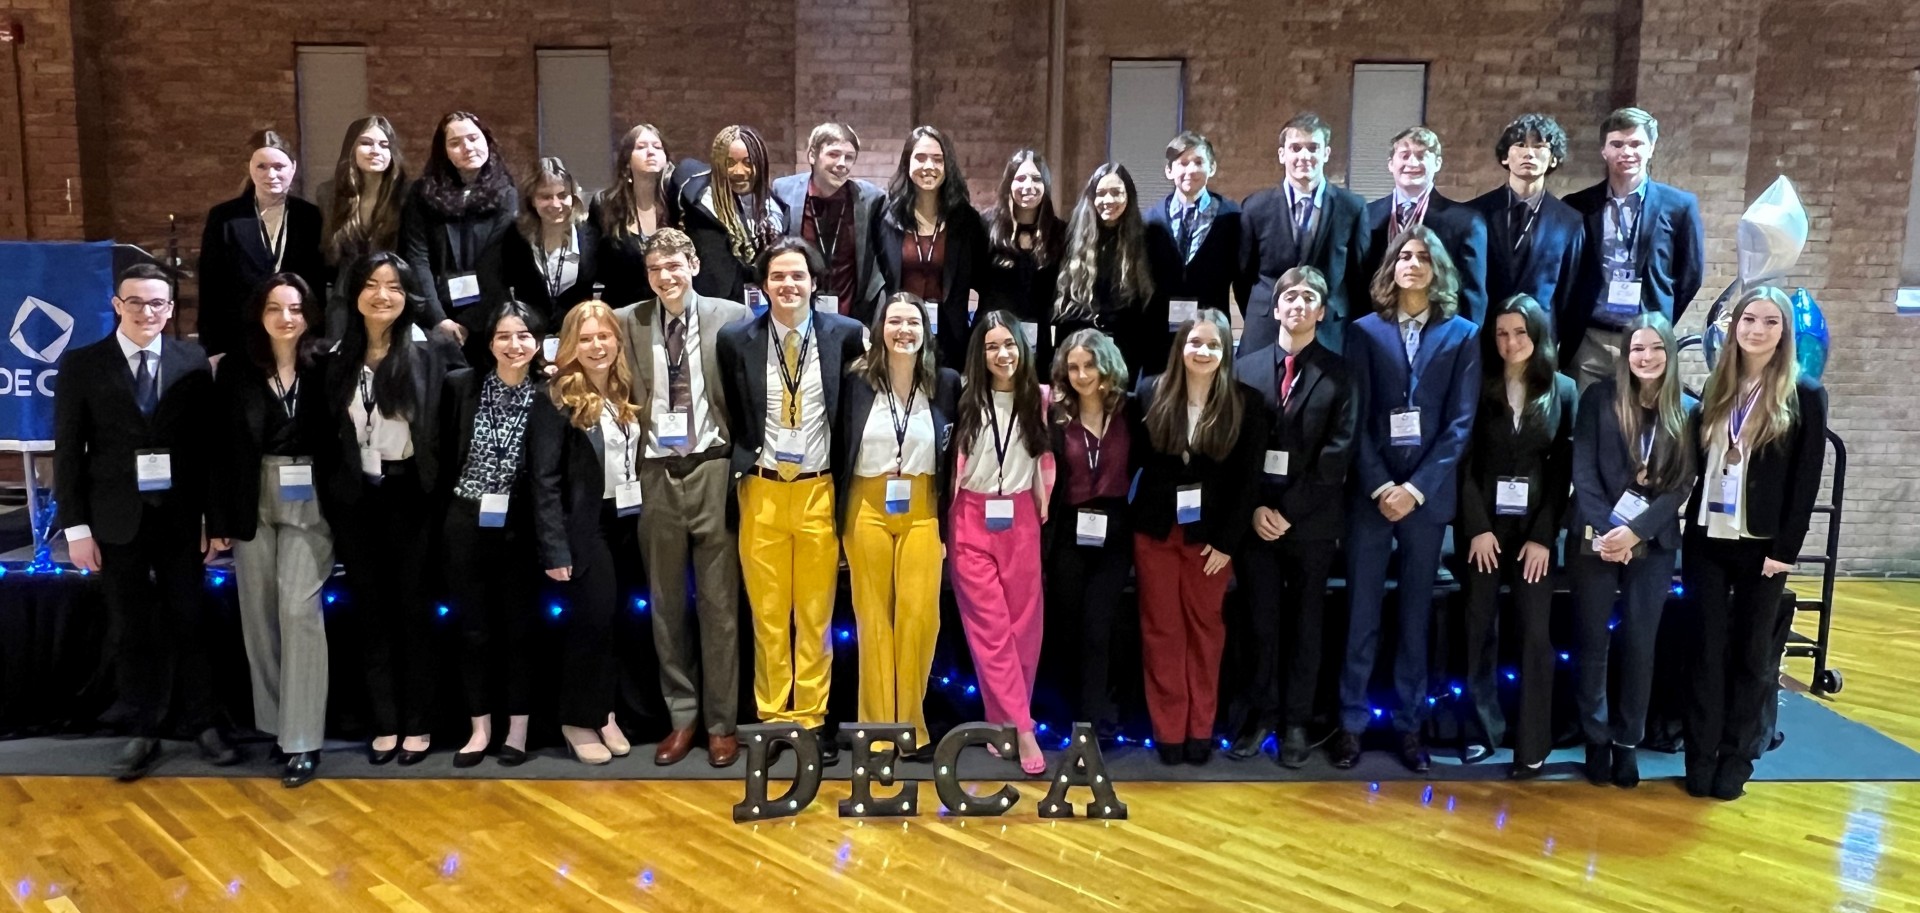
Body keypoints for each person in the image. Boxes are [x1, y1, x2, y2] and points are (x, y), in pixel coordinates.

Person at [55, 263, 233, 782]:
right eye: (135, 302)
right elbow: (70, 452)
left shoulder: (191, 359)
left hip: (180, 521)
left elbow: (208, 452)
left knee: (191, 624)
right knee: (131, 630)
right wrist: (77, 530)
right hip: (115, 521)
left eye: (158, 303)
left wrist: (210, 519)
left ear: (172, 310)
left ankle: (204, 724)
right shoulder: (83, 364)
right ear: (117, 305)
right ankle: (142, 731)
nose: (147, 312)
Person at [1331, 226, 1481, 774]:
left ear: (1436, 270)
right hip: (1371, 495)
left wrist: (1415, 489)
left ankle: (1409, 726)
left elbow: (1460, 424)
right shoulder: (1364, 331)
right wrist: (1379, 485)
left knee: (1415, 615)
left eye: (1423, 257)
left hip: (1426, 498)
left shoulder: (1463, 334)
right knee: (1361, 613)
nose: (1412, 264)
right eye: (1404, 256)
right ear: (1390, 267)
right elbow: (1356, 417)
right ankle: (1350, 725)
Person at [715, 238, 866, 763]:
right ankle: (773, 720)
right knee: (769, 615)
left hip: (819, 491)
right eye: (778, 276)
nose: (788, 285)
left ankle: (812, 719)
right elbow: (736, 412)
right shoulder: (737, 339)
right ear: (763, 284)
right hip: (761, 490)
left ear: (814, 281)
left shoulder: (846, 336)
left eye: (797, 275)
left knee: (817, 615)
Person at [613, 228, 750, 768]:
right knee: (666, 605)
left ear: (693, 264)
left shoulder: (732, 316)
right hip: (655, 474)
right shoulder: (629, 320)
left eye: (674, 266)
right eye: (655, 269)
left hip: (714, 467)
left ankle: (722, 724)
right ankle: (682, 717)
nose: (665, 277)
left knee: (720, 606)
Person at [1683, 286, 1827, 800]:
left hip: (1762, 546)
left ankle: (1736, 757)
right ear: (1734, 327)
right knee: (1704, 651)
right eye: (1748, 319)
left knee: (1750, 655)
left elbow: (1806, 480)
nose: (1757, 330)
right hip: (1707, 539)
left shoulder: (1804, 393)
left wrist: (1785, 551)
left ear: (1783, 331)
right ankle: (1698, 754)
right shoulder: (1715, 387)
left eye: (1770, 321)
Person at [321, 251, 457, 766]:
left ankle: (419, 721)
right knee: (371, 612)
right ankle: (385, 720)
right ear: (355, 294)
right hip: (357, 500)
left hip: (411, 497)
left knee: (413, 612)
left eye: (395, 286)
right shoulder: (334, 358)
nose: (384, 295)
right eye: (373, 285)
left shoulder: (430, 353)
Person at [206, 274, 334, 789]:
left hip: (311, 498)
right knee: (258, 614)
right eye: (275, 308)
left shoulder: (326, 364)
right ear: (259, 314)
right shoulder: (236, 368)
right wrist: (215, 522)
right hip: (248, 496)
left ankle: (303, 740)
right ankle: (280, 726)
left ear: (309, 314)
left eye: (296, 308)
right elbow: (216, 448)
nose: (286, 318)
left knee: (298, 610)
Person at [1225, 266, 1355, 768]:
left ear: (1321, 313)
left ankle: (1297, 722)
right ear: (1275, 308)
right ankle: (1260, 715)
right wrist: (1257, 506)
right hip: (1255, 521)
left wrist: (1286, 509)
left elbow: (1337, 455)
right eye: (1290, 297)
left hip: (1312, 522)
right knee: (1260, 621)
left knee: (1306, 624)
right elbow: (1233, 451)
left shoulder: (1342, 373)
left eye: (1309, 298)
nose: (1298, 305)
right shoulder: (1244, 369)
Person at [1567, 311, 1696, 789]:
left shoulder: (1687, 408)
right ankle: (1596, 739)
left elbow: (1682, 484)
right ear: (1626, 355)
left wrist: (1636, 532)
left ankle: (1627, 743)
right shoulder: (1598, 398)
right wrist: (1609, 531)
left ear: (1669, 353)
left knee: (1640, 646)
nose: (1646, 357)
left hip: (1654, 542)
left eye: (1656, 348)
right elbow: (1583, 472)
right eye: (1638, 348)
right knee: (1593, 644)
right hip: (1595, 539)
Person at [831, 293, 962, 759]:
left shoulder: (944, 384)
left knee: (918, 618)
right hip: (866, 504)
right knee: (873, 620)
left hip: (924, 507)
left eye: (913, 322)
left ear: (925, 331)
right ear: (879, 328)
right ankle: (876, 727)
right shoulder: (855, 382)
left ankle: (912, 727)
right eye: (895, 321)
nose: (903, 330)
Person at [1131, 308, 1265, 765]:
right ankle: (1169, 731)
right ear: (1180, 347)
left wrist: (1228, 542)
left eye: (1212, 344)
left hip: (1211, 542)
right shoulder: (1149, 391)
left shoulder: (1247, 402)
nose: (1203, 351)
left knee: (1205, 633)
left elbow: (1249, 482)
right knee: (1161, 631)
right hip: (1155, 532)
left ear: (1226, 350)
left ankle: (1200, 730)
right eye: (1195, 343)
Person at [1454, 294, 1576, 777]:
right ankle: (1480, 732)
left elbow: (1565, 471)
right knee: (1478, 628)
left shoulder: (1563, 390)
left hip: (1534, 536)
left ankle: (1532, 742)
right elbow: (1462, 462)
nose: (1510, 342)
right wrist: (1477, 528)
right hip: (1484, 528)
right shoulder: (1477, 385)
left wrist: (1545, 537)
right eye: (1502, 333)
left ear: (1537, 334)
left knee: (1534, 635)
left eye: (1520, 332)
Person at [528, 301, 644, 765]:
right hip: (584, 527)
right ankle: (576, 720)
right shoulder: (555, 397)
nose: (597, 346)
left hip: (625, 521)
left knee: (614, 624)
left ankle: (604, 711)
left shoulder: (622, 388)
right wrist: (555, 547)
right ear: (570, 345)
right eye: (586, 338)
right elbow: (545, 480)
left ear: (617, 340)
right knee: (589, 625)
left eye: (605, 336)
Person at [438, 301, 544, 768]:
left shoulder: (550, 393)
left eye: (523, 335)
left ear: (538, 342)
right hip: (466, 521)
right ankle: (479, 728)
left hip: (520, 527)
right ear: (489, 342)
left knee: (520, 632)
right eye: (504, 336)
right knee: (474, 630)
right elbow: (443, 453)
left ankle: (517, 730)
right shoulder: (461, 387)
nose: (514, 344)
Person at [948, 310, 1055, 776]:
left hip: (1022, 519)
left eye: (1009, 344)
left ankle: (1002, 721)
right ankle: (1025, 728)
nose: (1002, 353)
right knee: (990, 631)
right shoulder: (963, 397)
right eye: (992, 346)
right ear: (981, 353)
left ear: (1022, 348)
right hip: (971, 518)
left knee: (1024, 632)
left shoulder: (1042, 399)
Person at [1561, 107, 1706, 390]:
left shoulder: (1679, 206)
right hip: (1589, 338)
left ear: (1651, 148)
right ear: (1604, 150)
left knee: (1640, 425)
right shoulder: (1577, 205)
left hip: (1646, 339)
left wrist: (1659, 316)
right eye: (1617, 144)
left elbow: (1691, 275)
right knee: (1587, 424)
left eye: (1636, 144)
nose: (1626, 152)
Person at [1042, 329, 1137, 742]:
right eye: (1074, 367)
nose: (1082, 375)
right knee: (1067, 625)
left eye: (1089, 366)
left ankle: (1093, 722)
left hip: (1114, 529)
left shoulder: (1131, 412)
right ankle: (1064, 716)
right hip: (1069, 528)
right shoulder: (1055, 415)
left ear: (1106, 366)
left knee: (1099, 627)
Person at [1238, 113, 1371, 355]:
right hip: (1267, 326)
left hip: (1329, 326)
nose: (1304, 156)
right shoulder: (1255, 207)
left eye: (1313, 148)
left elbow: (1358, 276)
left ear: (1326, 154)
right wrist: (1268, 306)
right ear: (1282, 154)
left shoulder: (1352, 207)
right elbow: (1243, 274)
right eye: (1295, 148)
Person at [198, 130, 327, 359]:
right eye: (262, 167)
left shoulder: (310, 216)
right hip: (240, 338)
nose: (271, 174)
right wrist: (213, 348)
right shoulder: (225, 217)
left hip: (297, 337)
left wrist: (317, 337)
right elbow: (210, 285)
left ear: (293, 168)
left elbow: (317, 283)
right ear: (250, 168)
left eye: (279, 166)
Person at [401, 111, 518, 359]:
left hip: (488, 317)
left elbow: (495, 263)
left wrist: (469, 322)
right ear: (443, 151)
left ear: (487, 141)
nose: (467, 147)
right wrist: (438, 318)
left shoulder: (506, 194)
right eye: (455, 143)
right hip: (436, 314)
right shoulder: (422, 193)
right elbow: (417, 257)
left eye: (474, 138)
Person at [874, 125, 986, 369]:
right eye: (920, 158)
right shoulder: (886, 216)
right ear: (907, 163)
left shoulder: (966, 221)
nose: (929, 167)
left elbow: (983, 281)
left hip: (950, 340)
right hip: (898, 334)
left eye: (938, 159)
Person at [1361, 127, 1490, 326]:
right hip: (1378, 335)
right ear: (1390, 164)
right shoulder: (1366, 216)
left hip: (1439, 335)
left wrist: (1463, 344)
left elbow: (1473, 296)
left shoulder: (1465, 222)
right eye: (1404, 155)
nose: (1412, 163)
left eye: (1421, 156)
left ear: (1437, 163)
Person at [1466, 114, 1584, 330]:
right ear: (1505, 157)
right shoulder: (1474, 213)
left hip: (1539, 338)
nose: (1529, 153)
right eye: (1520, 145)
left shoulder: (1569, 221)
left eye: (1539, 146)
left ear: (1553, 158)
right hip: (1484, 336)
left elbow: (1569, 293)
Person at [1054, 162, 1163, 375]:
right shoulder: (1072, 238)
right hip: (1080, 352)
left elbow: (1148, 308)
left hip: (1127, 356)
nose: (1108, 200)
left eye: (1116, 193)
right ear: (1091, 198)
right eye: (1101, 193)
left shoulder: (1147, 239)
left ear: (1128, 196)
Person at [773, 123, 888, 324]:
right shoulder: (784, 191)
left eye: (849, 157)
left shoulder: (871, 199)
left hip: (854, 318)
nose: (842, 163)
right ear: (812, 156)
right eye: (833, 154)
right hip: (796, 315)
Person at [1143, 132, 1242, 344]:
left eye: (1199, 162)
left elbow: (1242, 278)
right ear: (1169, 170)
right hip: (1159, 335)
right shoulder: (1149, 220)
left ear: (1212, 167)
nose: (1191, 170)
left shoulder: (1233, 217)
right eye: (1183, 163)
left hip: (1211, 331)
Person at [319, 115, 413, 336]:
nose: (375, 151)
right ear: (351, 149)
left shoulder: (408, 195)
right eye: (366, 143)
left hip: (392, 297)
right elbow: (327, 254)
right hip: (344, 297)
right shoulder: (329, 194)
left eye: (384, 145)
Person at [978, 149, 1069, 375]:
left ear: (1045, 185)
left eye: (1036, 179)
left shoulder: (1059, 232)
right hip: (994, 339)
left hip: (1040, 344)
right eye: (1020, 178)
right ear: (1009, 183)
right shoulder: (986, 227)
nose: (1028, 186)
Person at [676, 125, 784, 303]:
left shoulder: (775, 209)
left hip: (765, 311)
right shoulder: (695, 203)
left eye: (748, 162)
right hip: (713, 309)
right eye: (729, 163)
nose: (739, 172)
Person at [498, 157, 601, 327]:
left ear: (573, 197)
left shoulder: (591, 235)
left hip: (579, 335)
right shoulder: (515, 236)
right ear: (531, 199)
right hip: (530, 338)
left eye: (563, 195)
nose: (556, 204)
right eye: (545, 197)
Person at [591, 123, 677, 308]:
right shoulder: (605, 204)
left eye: (657, 147)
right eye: (641, 147)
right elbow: (597, 266)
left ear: (667, 159)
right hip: (622, 309)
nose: (650, 152)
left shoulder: (677, 202)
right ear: (626, 161)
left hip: (670, 308)